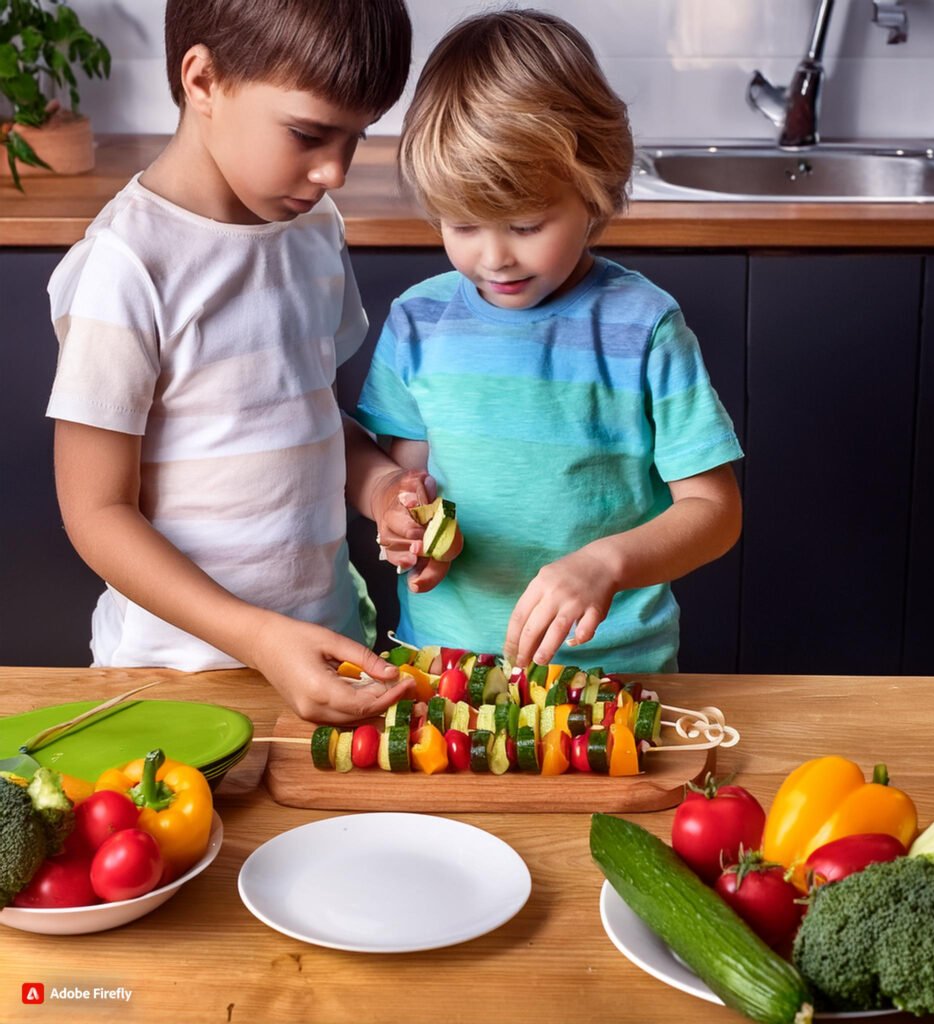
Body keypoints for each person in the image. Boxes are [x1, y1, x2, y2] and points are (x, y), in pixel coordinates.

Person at [45, 0, 427, 723]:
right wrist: (258, 638)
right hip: (171, 678)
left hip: (326, 652)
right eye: (310, 133)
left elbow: (313, 415)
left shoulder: (314, 228)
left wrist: (380, 489)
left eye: (358, 136)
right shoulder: (127, 266)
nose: (336, 171)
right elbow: (96, 512)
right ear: (203, 80)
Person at [358, 9, 744, 675]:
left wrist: (607, 562)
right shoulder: (417, 322)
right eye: (462, 224)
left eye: (527, 224)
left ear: (592, 187)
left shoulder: (643, 328)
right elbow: (408, 482)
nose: (494, 256)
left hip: (612, 674)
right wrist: (408, 528)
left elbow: (714, 510)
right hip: (443, 665)